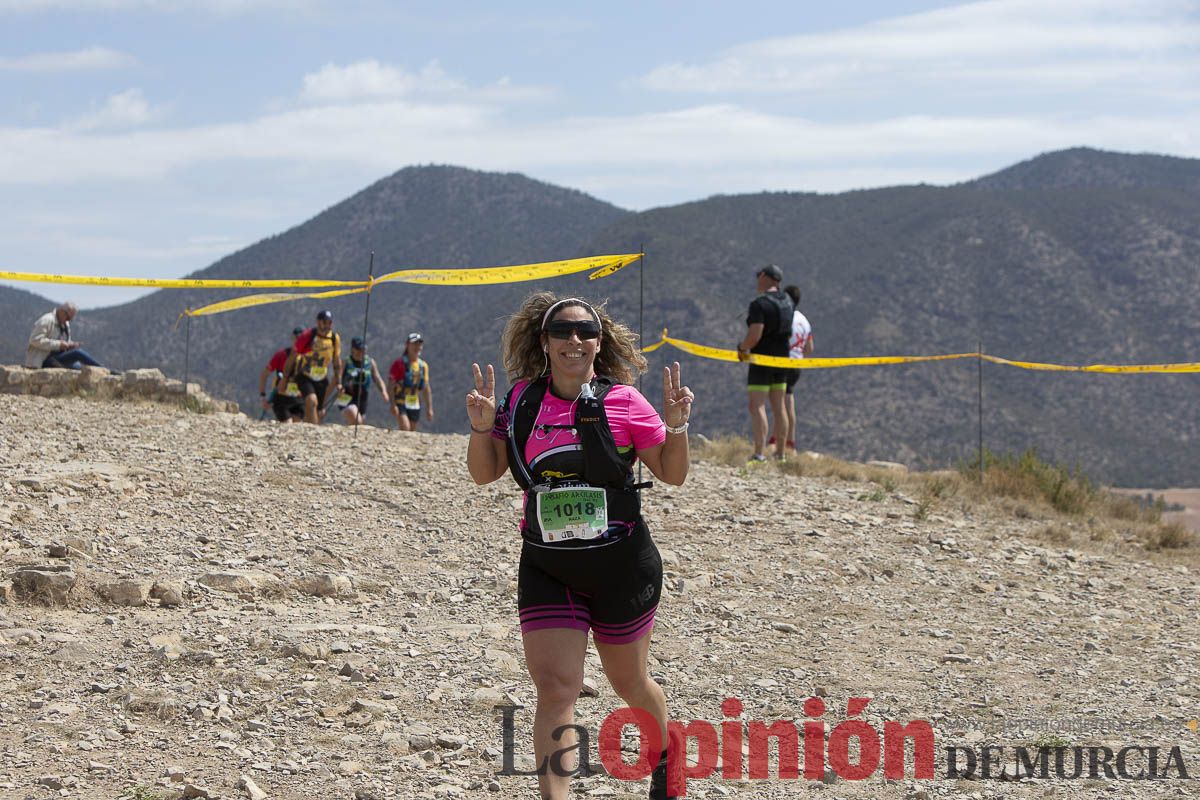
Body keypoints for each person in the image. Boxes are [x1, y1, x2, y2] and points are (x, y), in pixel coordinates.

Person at [465, 293, 693, 800]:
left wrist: (676, 425)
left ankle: (667, 751)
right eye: (563, 331)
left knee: (630, 683)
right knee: (556, 688)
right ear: (543, 342)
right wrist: (483, 427)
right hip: (549, 567)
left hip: (622, 569)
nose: (575, 340)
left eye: (586, 331)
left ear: (599, 342)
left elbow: (673, 474)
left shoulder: (625, 402)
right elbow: (485, 473)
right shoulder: (522, 401)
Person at [736, 264, 794, 462]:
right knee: (779, 406)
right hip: (783, 359)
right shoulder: (788, 300)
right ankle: (780, 453)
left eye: (758, 275)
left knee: (757, 405)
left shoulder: (759, 304)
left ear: (765, 277)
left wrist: (742, 348)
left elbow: (755, 334)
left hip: (762, 360)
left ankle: (759, 453)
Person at [281, 309, 342, 424]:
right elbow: (293, 356)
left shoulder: (334, 338)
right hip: (304, 375)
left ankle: (308, 429)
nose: (327, 326)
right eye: (324, 322)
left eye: (329, 322)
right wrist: (285, 378)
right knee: (311, 400)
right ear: (318, 322)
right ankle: (314, 432)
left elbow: (336, 360)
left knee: (318, 410)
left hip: (321, 378)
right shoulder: (308, 336)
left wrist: (339, 382)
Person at [780, 284, 814, 454]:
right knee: (789, 401)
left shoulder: (786, 317)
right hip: (797, 364)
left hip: (783, 362)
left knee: (780, 403)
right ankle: (790, 440)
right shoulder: (804, 320)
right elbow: (809, 348)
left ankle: (779, 440)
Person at [25, 302, 108, 370]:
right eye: (68, 317)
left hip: (58, 357)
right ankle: (103, 369)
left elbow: (63, 341)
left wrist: (70, 345)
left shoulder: (65, 324)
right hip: (44, 359)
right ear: (62, 311)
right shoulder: (47, 320)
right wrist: (59, 345)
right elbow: (34, 340)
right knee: (78, 353)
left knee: (79, 368)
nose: (68, 320)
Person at [337, 337, 389, 425]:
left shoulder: (370, 363)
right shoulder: (346, 362)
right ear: (353, 349)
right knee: (356, 419)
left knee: (358, 424)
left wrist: (383, 391)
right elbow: (338, 376)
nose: (361, 352)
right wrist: (339, 385)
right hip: (347, 397)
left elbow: (377, 378)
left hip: (362, 399)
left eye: (363, 350)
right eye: (359, 350)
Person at [258, 326, 306, 423]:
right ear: (293, 338)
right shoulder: (281, 355)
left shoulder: (308, 357)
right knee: (287, 425)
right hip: (281, 398)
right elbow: (264, 375)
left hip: (299, 398)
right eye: (297, 338)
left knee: (298, 428)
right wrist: (263, 397)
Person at [389, 332, 434, 431]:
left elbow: (426, 388)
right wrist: (392, 404)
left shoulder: (423, 366)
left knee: (412, 431)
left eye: (419, 344)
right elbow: (391, 385)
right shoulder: (399, 364)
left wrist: (429, 408)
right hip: (400, 401)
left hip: (414, 402)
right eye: (414, 344)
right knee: (405, 428)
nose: (417, 347)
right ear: (407, 345)